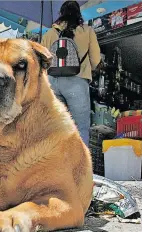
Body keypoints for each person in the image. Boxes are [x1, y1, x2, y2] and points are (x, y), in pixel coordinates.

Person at [41, 0, 101, 145]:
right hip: (77, 83)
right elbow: (96, 61)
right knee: (80, 128)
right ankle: (80, 165)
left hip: (52, 83)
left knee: (55, 128)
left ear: (60, 15)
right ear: (78, 14)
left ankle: (56, 164)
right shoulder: (87, 31)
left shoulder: (49, 33)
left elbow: (41, 62)